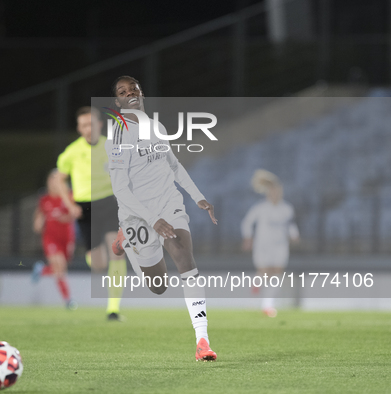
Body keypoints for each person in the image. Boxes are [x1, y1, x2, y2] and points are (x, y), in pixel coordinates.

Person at [106, 75, 218, 361]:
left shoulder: (155, 126)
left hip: (169, 203)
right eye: (123, 91)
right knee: (158, 286)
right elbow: (120, 188)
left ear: (141, 94)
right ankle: (125, 240)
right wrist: (152, 219)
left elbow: (174, 165)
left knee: (184, 256)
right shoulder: (118, 132)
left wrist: (197, 196)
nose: (129, 93)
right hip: (137, 215)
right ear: (117, 101)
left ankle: (202, 339)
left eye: (134, 89)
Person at [53, 106, 127, 321]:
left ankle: (113, 309)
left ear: (100, 125)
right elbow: (59, 178)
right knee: (99, 263)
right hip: (85, 207)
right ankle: (95, 259)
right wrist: (69, 204)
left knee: (117, 250)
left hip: (110, 202)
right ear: (79, 128)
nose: (88, 128)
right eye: (84, 125)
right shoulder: (72, 152)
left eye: (91, 124)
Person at [241, 169, 300, 317]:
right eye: (273, 191)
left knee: (277, 273)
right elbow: (247, 222)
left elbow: (290, 225)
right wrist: (248, 237)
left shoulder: (287, 208)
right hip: (263, 245)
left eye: (278, 192)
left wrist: (294, 235)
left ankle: (268, 305)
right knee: (265, 273)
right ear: (268, 193)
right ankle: (256, 283)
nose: (276, 194)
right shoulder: (261, 208)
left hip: (280, 246)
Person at [32, 169, 77, 310]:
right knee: (59, 265)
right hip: (51, 238)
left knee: (60, 270)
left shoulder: (69, 196)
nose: (54, 184)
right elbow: (39, 217)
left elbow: (74, 214)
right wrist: (38, 223)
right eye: (51, 181)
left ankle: (42, 270)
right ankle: (68, 300)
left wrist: (65, 218)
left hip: (67, 238)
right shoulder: (44, 200)